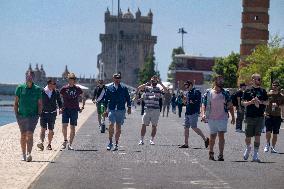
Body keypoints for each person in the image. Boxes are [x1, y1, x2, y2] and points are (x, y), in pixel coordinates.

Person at [201, 75, 235, 161]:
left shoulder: (225, 93)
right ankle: (211, 153)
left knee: (221, 136)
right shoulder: (209, 92)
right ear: (215, 81)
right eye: (219, 80)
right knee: (212, 136)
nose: (221, 81)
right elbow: (204, 105)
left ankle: (221, 155)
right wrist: (203, 114)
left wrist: (233, 117)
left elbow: (230, 105)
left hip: (222, 118)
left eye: (222, 80)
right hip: (211, 118)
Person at [14, 71, 42, 162]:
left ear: (33, 78)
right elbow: (16, 102)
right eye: (27, 77)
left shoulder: (37, 89)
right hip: (21, 115)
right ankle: (23, 154)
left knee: (30, 133)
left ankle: (29, 153)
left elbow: (40, 103)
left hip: (33, 116)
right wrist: (16, 114)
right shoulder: (20, 88)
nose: (28, 78)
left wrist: (38, 114)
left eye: (30, 77)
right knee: (23, 134)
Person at [242, 73, 268, 162]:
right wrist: (251, 102)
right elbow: (243, 103)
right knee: (248, 136)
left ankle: (255, 155)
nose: (259, 81)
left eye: (260, 79)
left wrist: (260, 102)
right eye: (258, 79)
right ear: (253, 80)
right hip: (249, 116)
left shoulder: (263, 91)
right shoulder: (247, 91)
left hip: (260, 116)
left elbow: (267, 102)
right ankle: (248, 148)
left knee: (258, 135)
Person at [103, 73, 131, 151]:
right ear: (113, 78)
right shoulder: (109, 88)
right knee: (111, 124)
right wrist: (105, 110)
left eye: (119, 78)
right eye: (116, 78)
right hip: (111, 109)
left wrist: (129, 107)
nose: (117, 79)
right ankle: (110, 142)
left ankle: (116, 143)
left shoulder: (124, 88)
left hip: (121, 110)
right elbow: (105, 100)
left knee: (118, 128)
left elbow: (128, 98)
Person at [137, 75, 168, 145]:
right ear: (150, 81)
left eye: (155, 80)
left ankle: (152, 140)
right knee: (143, 124)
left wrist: (160, 83)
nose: (154, 82)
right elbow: (139, 88)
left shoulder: (158, 89)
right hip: (147, 109)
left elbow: (166, 91)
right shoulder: (147, 88)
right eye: (153, 80)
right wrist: (146, 83)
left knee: (154, 125)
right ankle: (141, 140)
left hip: (156, 110)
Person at [179, 80, 209, 148]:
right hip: (187, 112)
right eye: (185, 85)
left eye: (187, 85)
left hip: (193, 112)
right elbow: (185, 102)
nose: (186, 87)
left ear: (190, 85)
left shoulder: (196, 91)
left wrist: (192, 101)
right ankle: (186, 144)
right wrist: (182, 96)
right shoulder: (188, 93)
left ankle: (205, 139)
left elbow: (198, 101)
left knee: (194, 127)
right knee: (186, 127)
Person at [60, 73, 85, 150]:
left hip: (74, 109)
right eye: (70, 79)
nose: (71, 81)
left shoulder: (77, 89)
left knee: (72, 127)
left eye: (72, 79)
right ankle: (65, 140)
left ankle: (70, 144)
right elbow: (59, 98)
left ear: (74, 80)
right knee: (64, 126)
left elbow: (83, 96)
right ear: (68, 80)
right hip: (65, 109)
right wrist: (60, 107)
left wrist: (82, 107)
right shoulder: (64, 88)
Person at [37, 79, 62, 151]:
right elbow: (38, 101)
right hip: (43, 113)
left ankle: (49, 144)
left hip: (52, 113)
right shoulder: (42, 91)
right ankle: (41, 143)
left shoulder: (56, 92)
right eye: (54, 84)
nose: (55, 85)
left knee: (51, 130)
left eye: (55, 84)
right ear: (49, 84)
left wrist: (60, 108)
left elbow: (59, 101)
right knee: (43, 129)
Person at [264, 81, 284, 153]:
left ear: (278, 87)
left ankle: (273, 147)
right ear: (272, 86)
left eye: (276, 85)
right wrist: (264, 112)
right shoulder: (268, 94)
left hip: (277, 116)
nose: (275, 86)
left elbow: (283, 106)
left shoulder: (281, 96)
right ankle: (267, 144)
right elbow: (264, 103)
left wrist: (278, 106)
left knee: (275, 133)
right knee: (268, 131)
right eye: (273, 85)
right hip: (268, 115)